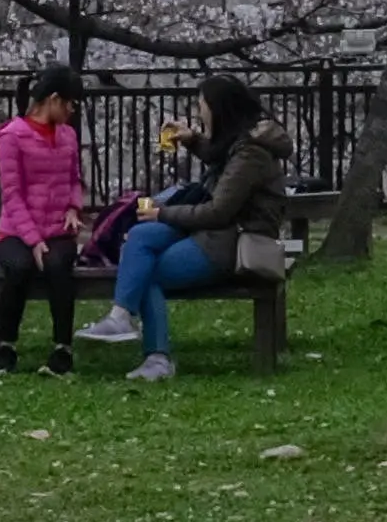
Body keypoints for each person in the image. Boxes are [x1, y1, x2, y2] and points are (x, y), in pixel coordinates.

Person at [105, 72, 288, 384]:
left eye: (202, 105)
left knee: (144, 269)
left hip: (229, 243)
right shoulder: (242, 143)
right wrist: (191, 140)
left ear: (220, 109)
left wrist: (164, 213)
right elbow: (220, 158)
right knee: (139, 237)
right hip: (215, 236)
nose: (200, 111)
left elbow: (218, 211)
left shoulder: (251, 154)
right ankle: (123, 321)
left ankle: (153, 352)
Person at [0, 68, 92, 375]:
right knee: (18, 268)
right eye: (69, 104)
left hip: (57, 229)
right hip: (16, 231)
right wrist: (33, 240)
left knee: (59, 268)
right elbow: (12, 195)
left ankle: (62, 350)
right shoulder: (11, 137)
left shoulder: (67, 136)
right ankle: (6, 346)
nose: (72, 111)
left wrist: (73, 207)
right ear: (54, 100)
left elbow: (74, 179)